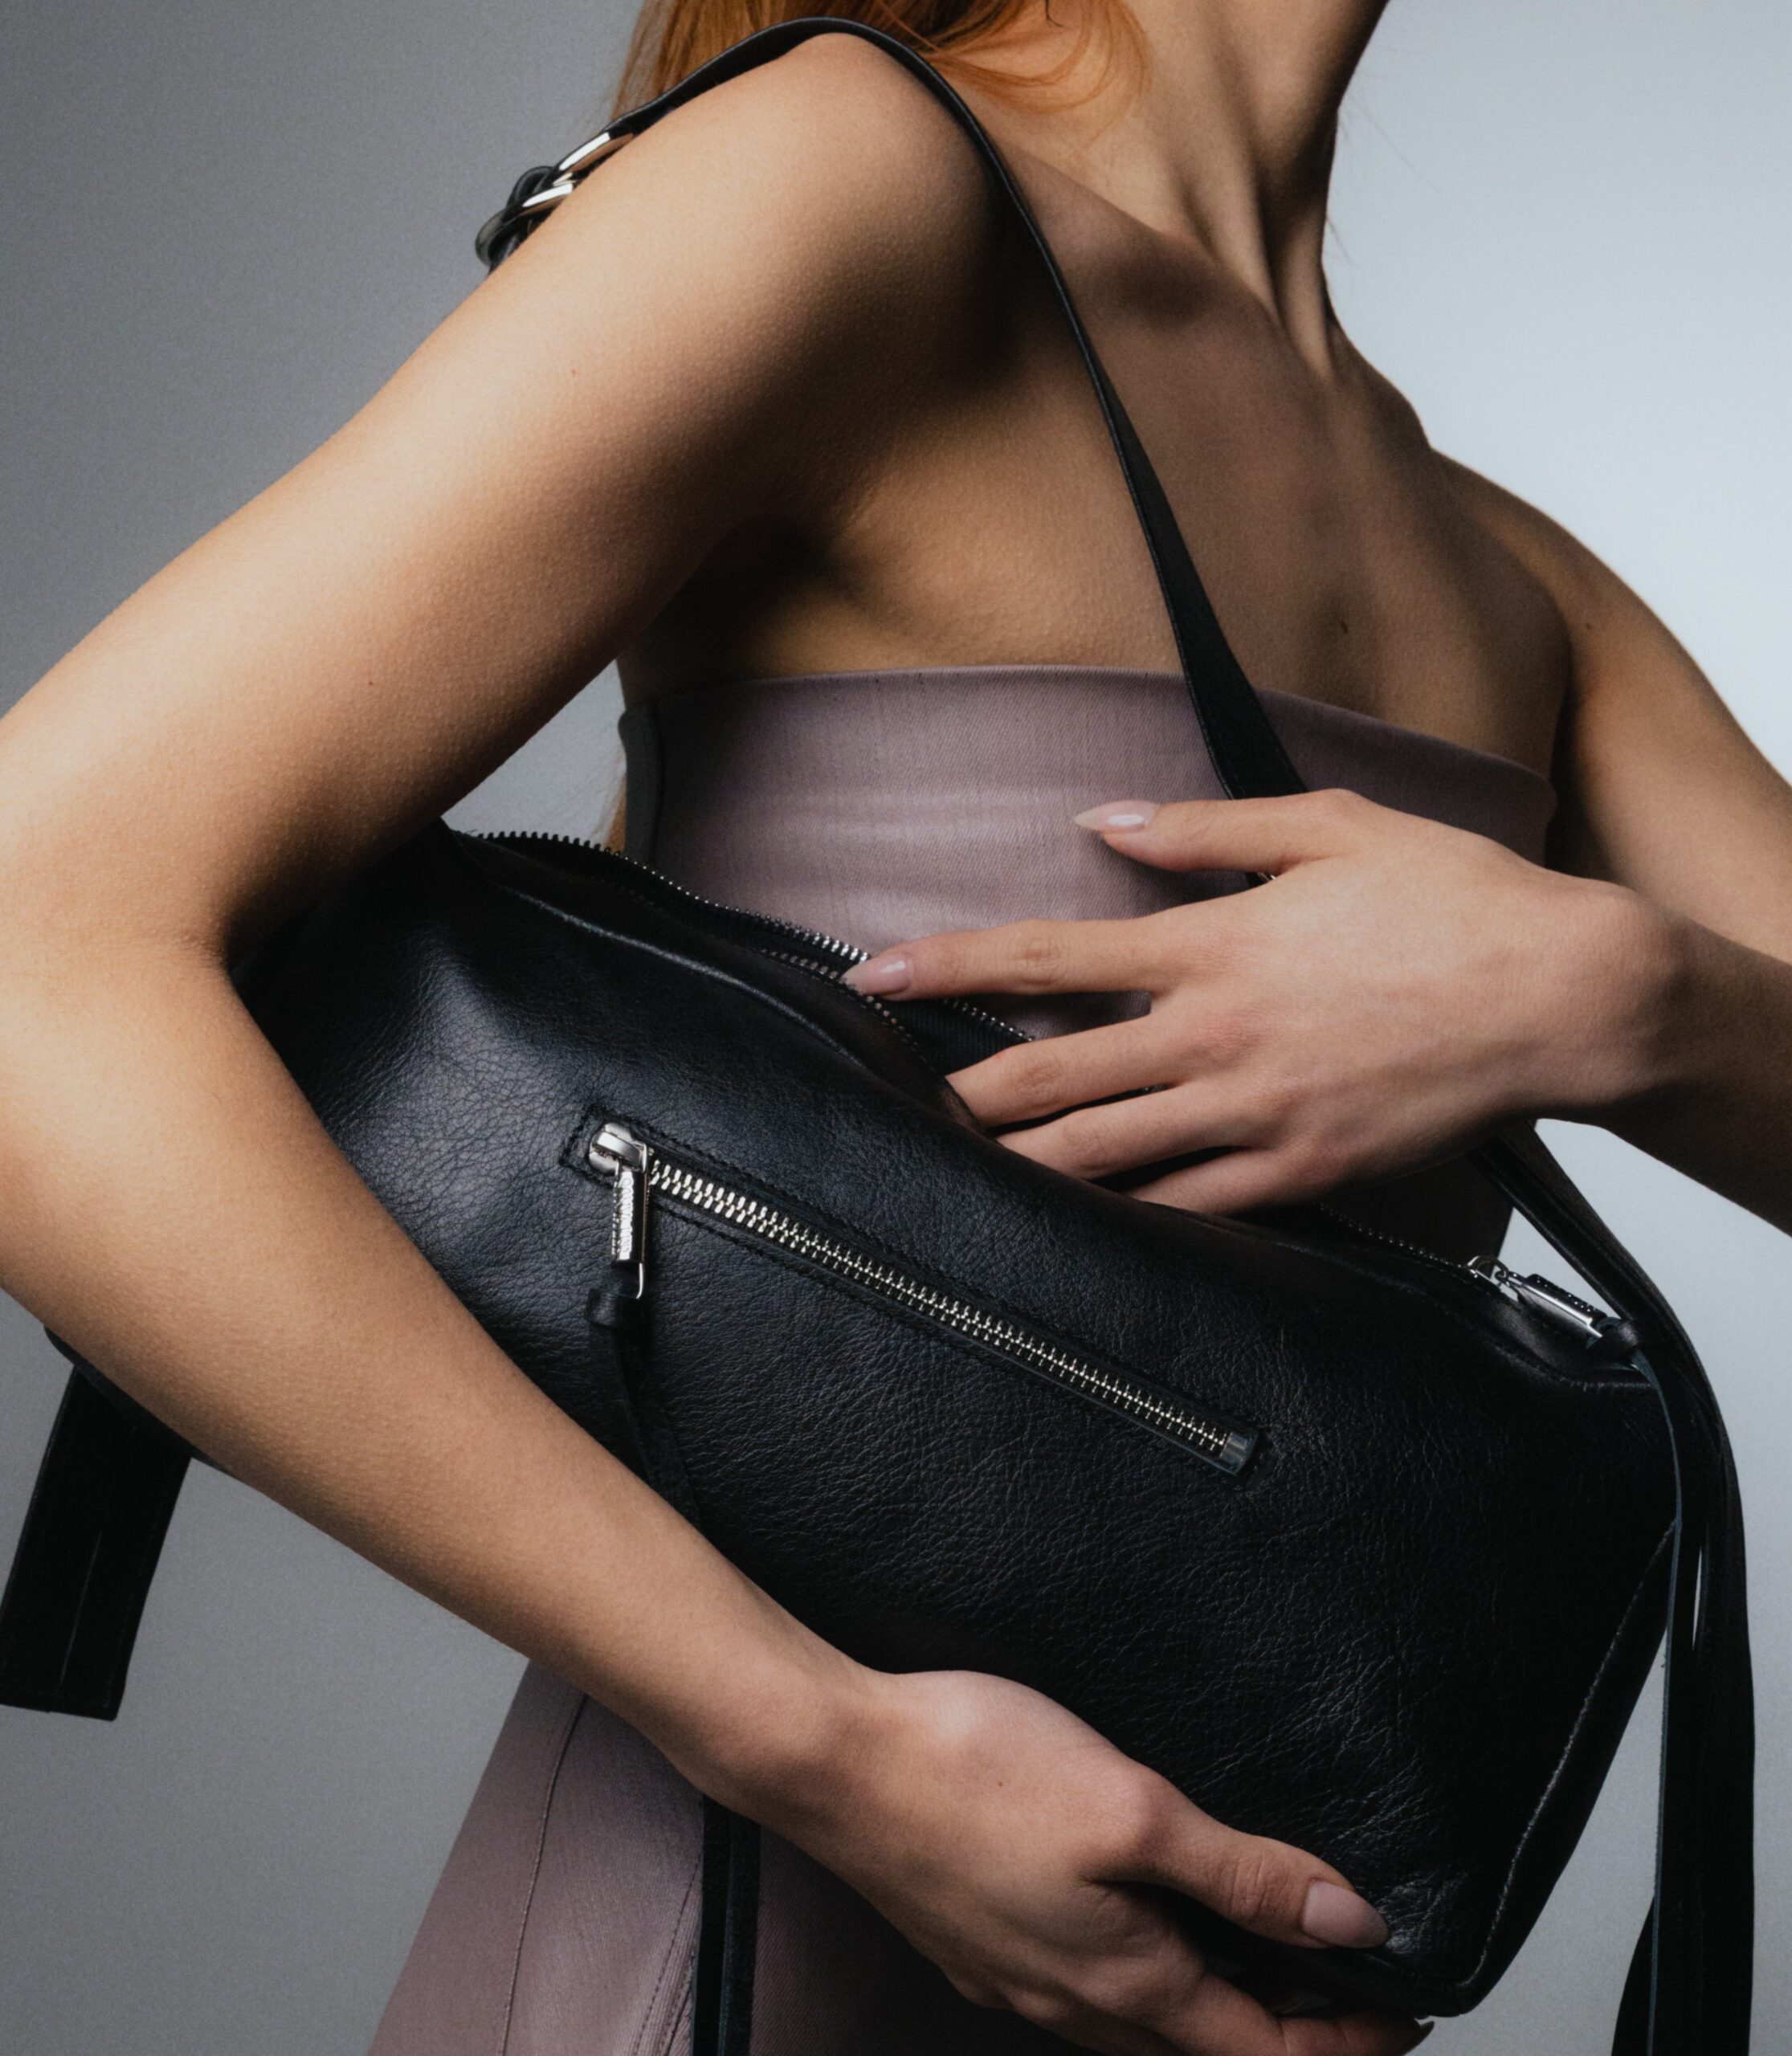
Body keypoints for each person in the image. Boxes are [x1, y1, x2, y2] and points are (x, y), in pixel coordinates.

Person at [0, 0, 1787, 2050]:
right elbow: (32, 949)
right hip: (751, 1951)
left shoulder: (1512, 574)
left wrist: (1625, 993)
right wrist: (824, 1745)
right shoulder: (855, 184)